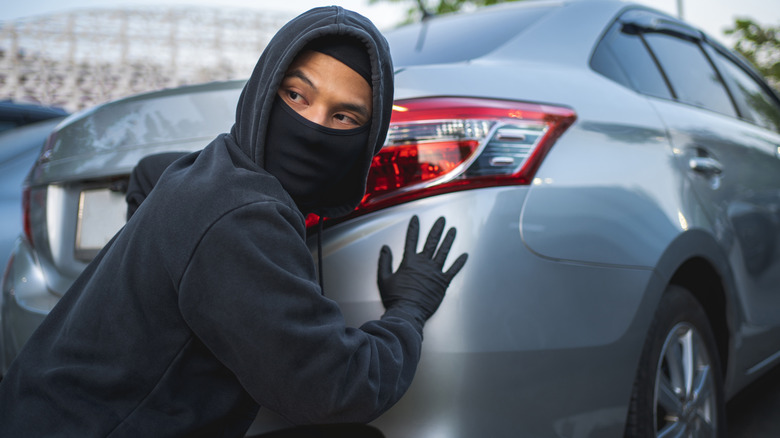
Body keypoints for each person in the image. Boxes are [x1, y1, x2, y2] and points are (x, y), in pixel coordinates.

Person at [0, 6, 467, 437]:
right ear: (265, 88)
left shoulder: (211, 168)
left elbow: (147, 172)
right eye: (296, 95)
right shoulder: (241, 216)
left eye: (344, 116)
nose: (314, 127)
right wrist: (408, 311)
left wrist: (192, 296)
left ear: (368, 137)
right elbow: (338, 391)